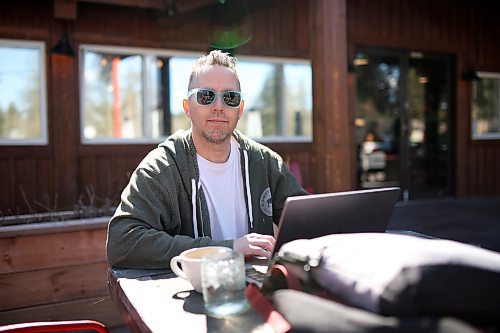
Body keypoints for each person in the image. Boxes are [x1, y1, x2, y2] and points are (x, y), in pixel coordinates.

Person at [106, 50, 307, 269]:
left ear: (239, 110)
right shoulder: (162, 168)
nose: (218, 106)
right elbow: (122, 242)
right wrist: (225, 249)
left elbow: (307, 223)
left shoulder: (265, 162)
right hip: (186, 294)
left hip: (257, 290)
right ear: (187, 108)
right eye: (206, 96)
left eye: (230, 97)